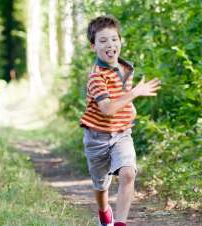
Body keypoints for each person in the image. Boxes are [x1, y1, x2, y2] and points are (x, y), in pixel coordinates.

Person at [81, 16, 161, 226]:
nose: (110, 45)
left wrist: (130, 109)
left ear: (120, 41)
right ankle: (103, 210)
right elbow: (107, 108)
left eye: (114, 39)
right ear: (93, 46)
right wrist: (135, 94)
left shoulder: (126, 70)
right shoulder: (96, 77)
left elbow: (123, 97)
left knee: (127, 174)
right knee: (101, 185)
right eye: (103, 40)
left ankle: (120, 223)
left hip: (122, 134)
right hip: (96, 137)